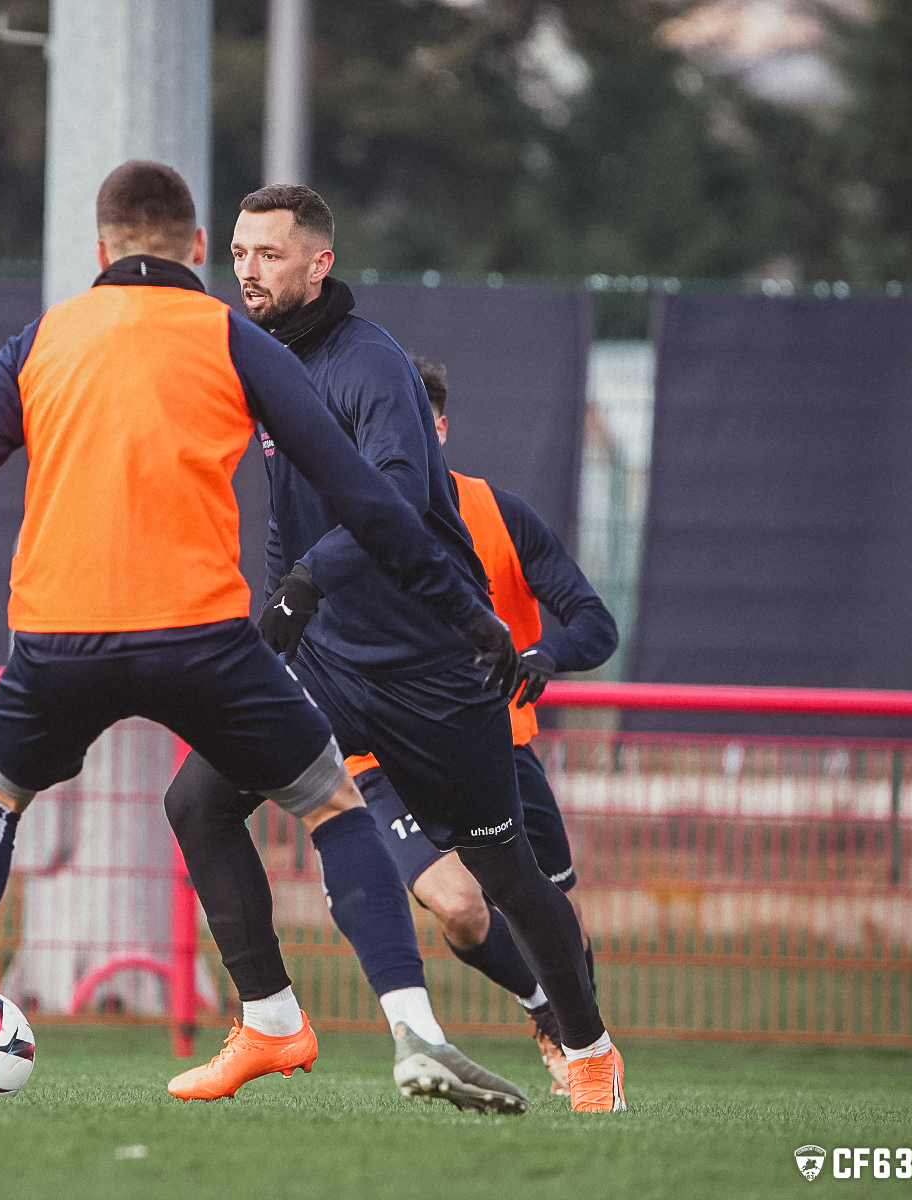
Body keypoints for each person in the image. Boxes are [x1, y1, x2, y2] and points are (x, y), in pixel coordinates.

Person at [0, 160, 530, 1106]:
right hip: (201, 644)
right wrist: (467, 611)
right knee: (333, 806)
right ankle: (416, 1038)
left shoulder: (41, 341)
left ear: (98, 250)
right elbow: (364, 496)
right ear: (201, 249)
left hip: (57, 640)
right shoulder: (229, 336)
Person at [163, 185, 626, 1112]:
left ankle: (590, 1048)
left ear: (319, 263)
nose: (248, 270)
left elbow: (401, 493)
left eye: (270, 254)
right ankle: (269, 1019)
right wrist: (280, 605)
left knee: (505, 877)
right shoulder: (255, 359)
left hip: (432, 670)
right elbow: (287, 516)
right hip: (327, 667)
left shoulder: (372, 364)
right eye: (240, 252)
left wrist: (308, 585)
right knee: (198, 801)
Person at [342, 356, 619, 1095]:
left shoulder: (498, 514)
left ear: (438, 427)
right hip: (383, 756)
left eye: (416, 423)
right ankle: (544, 1012)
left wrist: (543, 655)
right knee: (462, 910)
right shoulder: (352, 520)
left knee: (559, 918)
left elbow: (594, 622)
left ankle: (586, 1050)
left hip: (497, 747)